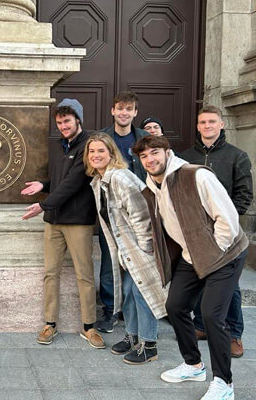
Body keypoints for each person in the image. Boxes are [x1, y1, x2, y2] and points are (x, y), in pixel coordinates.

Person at [133, 135, 248, 400]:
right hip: (191, 255)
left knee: (211, 315)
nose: (150, 160)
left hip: (226, 253)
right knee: (175, 306)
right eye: (144, 156)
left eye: (155, 153)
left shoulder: (196, 176)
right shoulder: (152, 185)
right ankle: (194, 365)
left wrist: (214, 249)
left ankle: (224, 383)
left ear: (167, 152)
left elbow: (227, 218)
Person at [21, 98, 103, 349]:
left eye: (67, 121)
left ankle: (89, 327)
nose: (63, 126)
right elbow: (59, 180)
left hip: (77, 221)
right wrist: (43, 186)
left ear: (78, 119)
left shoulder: (89, 145)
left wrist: (43, 204)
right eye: (59, 122)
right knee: (50, 274)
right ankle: (49, 324)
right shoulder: (59, 146)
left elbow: (74, 182)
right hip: (54, 222)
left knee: (84, 276)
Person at [84, 133, 167, 364]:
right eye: (92, 151)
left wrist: (145, 248)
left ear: (112, 154)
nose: (96, 155)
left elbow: (142, 214)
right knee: (129, 292)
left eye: (101, 151)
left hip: (141, 245)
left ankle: (149, 345)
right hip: (125, 247)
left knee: (142, 293)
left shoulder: (121, 177)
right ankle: (132, 336)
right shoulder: (98, 181)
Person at [180, 105, 253, 358]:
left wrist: (227, 224)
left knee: (229, 286)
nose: (207, 126)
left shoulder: (237, 156)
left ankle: (234, 334)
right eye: (202, 122)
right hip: (195, 233)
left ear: (222, 124)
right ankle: (201, 325)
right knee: (200, 278)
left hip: (227, 233)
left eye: (212, 121)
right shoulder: (185, 157)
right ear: (197, 126)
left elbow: (244, 196)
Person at [97, 91, 149, 333]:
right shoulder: (101, 139)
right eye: (120, 108)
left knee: (138, 262)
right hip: (109, 213)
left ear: (135, 112)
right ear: (113, 111)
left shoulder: (145, 139)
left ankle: (136, 309)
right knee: (109, 265)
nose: (124, 113)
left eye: (129, 109)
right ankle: (110, 310)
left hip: (138, 214)